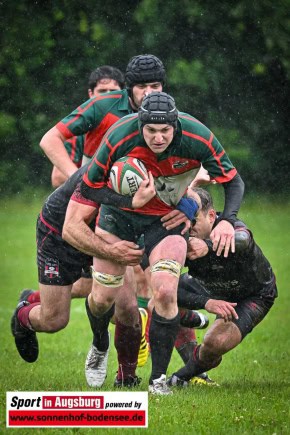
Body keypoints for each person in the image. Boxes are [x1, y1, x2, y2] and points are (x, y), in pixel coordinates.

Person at [62, 91, 245, 395]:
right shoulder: (119, 136)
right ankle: (99, 342)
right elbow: (91, 189)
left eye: (165, 131)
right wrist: (129, 199)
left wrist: (228, 218)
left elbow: (233, 181)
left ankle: (157, 380)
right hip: (118, 218)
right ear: (139, 126)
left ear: (176, 126)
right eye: (150, 131)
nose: (158, 137)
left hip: (165, 221)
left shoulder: (198, 137)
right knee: (102, 298)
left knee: (164, 291)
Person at [167, 187, 277, 386]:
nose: (189, 227)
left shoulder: (227, 225)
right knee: (162, 294)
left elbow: (244, 240)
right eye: (185, 220)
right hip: (209, 288)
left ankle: (182, 376)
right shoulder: (181, 232)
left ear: (211, 216)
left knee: (213, 344)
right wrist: (206, 302)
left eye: (194, 221)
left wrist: (207, 246)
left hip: (253, 295)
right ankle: (192, 319)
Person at [40, 54, 165, 181]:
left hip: (147, 191)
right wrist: (77, 178)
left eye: (155, 86)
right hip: (94, 190)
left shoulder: (170, 114)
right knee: (55, 201)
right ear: (130, 88)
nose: (148, 93)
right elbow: (49, 139)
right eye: (141, 86)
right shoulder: (101, 106)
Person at [51, 66, 125, 188]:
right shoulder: (78, 128)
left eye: (113, 91)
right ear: (91, 94)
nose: (108, 97)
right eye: (102, 91)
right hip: (85, 197)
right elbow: (58, 178)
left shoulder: (134, 125)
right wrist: (88, 179)